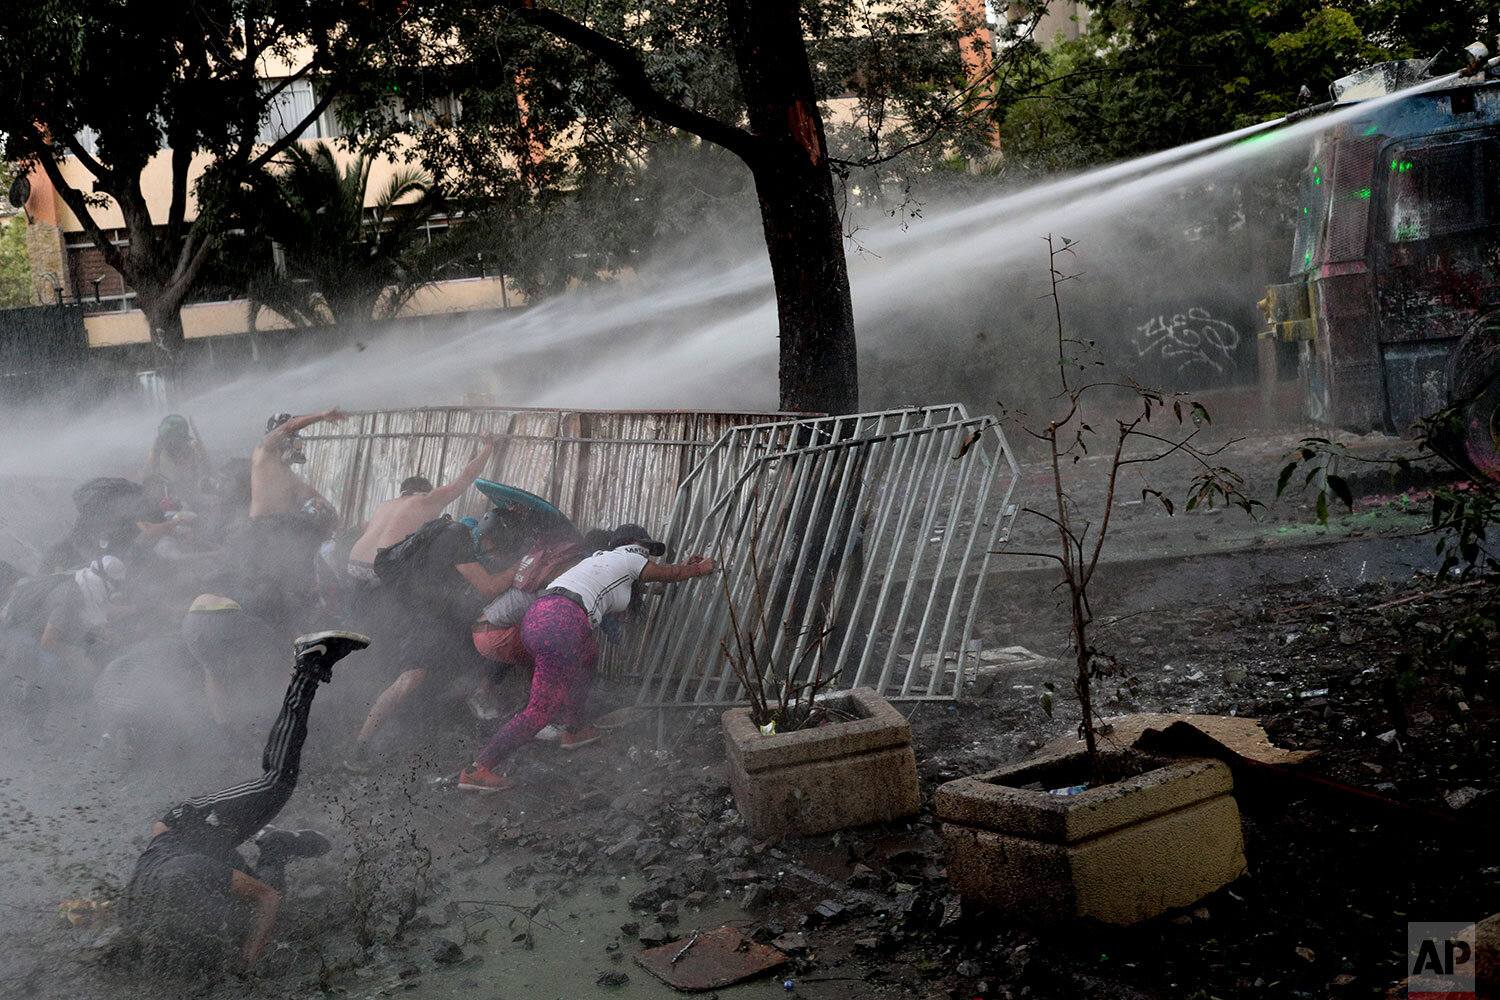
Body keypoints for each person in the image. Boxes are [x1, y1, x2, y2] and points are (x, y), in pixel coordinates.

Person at [118, 630, 371, 975]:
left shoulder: (186, 878)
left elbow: (266, 898)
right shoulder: (139, 917)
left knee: (278, 781)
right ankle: (274, 846)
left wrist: (246, 966)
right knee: (261, 924)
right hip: (194, 854)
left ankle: (310, 666)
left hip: (194, 823)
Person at [457, 524, 715, 792]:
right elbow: (669, 573)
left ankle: (575, 729)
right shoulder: (630, 555)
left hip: (541, 614)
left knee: (589, 653)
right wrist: (698, 569)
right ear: (637, 545)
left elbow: (654, 581)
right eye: (648, 550)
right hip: (562, 622)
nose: (648, 557)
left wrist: (681, 569)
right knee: (540, 710)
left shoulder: (600, 562)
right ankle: (478, 768)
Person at [343, 509, 525, 773]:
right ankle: (359, 749)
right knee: (409, 680)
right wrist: (520, 566)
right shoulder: (458, 537)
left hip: (418, 615)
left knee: (448, 660)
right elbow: (490, 587)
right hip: (421, 622)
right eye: (494, 546)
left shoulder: (444, 531)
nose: (493, 551)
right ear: (488, 538)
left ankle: (448, 709)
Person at [345, 436, 500, 586]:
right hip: (381, 569)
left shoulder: (385, 505)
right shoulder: (426, 501)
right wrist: (487, 447)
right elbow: (467, 475)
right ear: (426, 491)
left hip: (352, 563)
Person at [143, 415, 211, 504]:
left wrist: (199, 452)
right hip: (167, 502)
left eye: (177, 440)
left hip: (194, 499)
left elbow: (206, 473)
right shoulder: (158, 453)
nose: (173, 444)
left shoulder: (194, 450)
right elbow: (149, 479)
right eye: (169, 441)